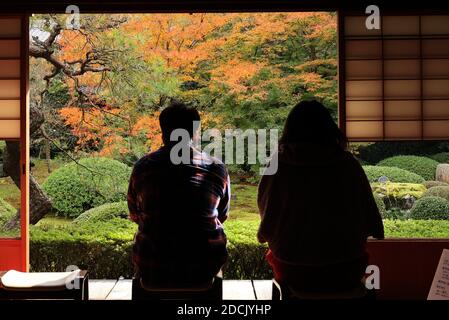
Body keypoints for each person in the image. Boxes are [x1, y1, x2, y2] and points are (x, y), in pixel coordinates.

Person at [257, 100, 384, 294]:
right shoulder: (348, 164)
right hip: (346, 268)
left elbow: (266, 210)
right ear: (329, 129)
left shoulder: (279, 165)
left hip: (293, 268)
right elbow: (368, 214)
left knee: (276, 256)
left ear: (289, 130)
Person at [128, 101, 230, 287]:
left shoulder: (143, 167)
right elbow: (221, 216)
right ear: (195, 132)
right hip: (204, 266)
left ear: (162, 131)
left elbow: (135, 214)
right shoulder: (216, 168)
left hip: (154, 265)